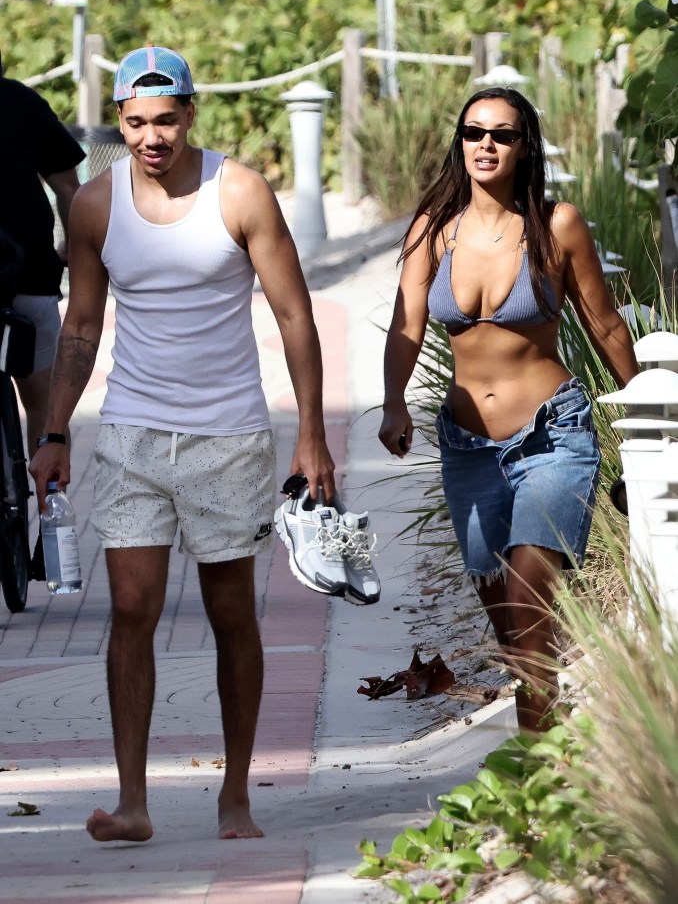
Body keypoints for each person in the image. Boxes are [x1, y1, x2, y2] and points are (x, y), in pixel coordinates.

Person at [29, 45, 335, 842]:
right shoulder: (95, 205)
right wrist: (56, 431)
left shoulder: (239, 192)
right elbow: (82, 325)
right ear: (120, 122)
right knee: (131, 607)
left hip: (229, 435)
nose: (151, 137)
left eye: (166, 120)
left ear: (191, 112)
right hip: (130, 432)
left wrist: (312, 436)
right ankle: (133, 800)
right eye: (135, 123)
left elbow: (294, 315)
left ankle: (236, 794)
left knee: (231, 611)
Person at [379, 86, 639, 734]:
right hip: (468, 449)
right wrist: (392, 403)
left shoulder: (557, 226)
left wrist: (641, 413)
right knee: (515, 634)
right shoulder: (433, 230)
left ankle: (540, 777)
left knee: (528, 599)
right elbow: (406, 323)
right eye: (473, 133)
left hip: (554, 436)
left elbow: (605, 325)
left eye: (502, 134)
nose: (485, 145)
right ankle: (548, 755)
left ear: (526, 148)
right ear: (459, 143)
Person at [0, 60, 85, 455]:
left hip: (27, 276)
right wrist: (72, 249)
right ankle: (53, 509)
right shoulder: (21, 100)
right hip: (29, 273)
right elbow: (68, 186)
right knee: (46, 411)